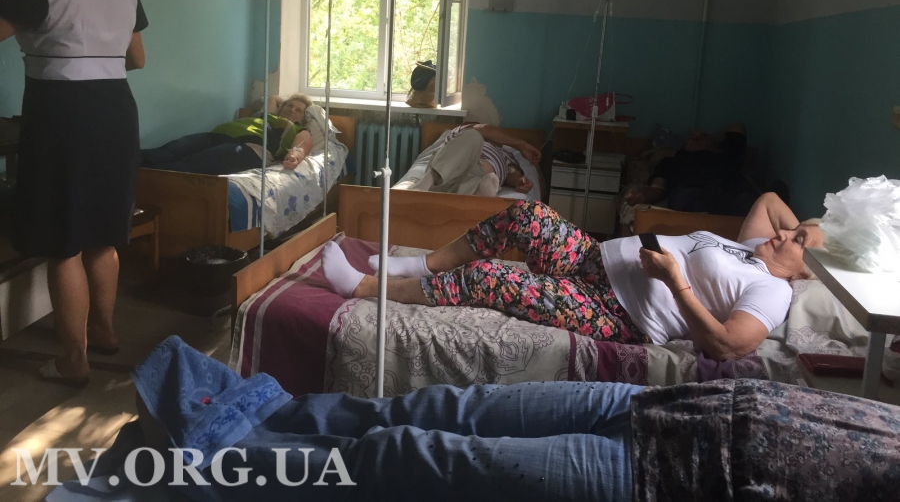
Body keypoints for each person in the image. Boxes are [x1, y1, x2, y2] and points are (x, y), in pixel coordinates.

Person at [62, 336, 900, 501]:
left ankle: (198, 468)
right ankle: (242, 416)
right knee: (431, 405)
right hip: (661, 407)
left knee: (407, 452)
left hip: (669, 478)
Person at [321, 192, 823, 360]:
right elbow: (769, 201)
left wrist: (676, 280)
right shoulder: (756, 248)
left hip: (617, 312)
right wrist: (819, 231)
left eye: (796, 239)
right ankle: (424, 263)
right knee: (528, 215)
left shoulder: (772, 290)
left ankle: (365, 287)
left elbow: (728, 346)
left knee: (492, 278)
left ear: (806, 269)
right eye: (792, 230)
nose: (785, 232)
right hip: (595, 259)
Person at [0, 0, 148, 386]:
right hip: (117, 113)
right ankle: (103, 331)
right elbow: (137, 60)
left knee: (63, 243)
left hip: (61, 115)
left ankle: (74, 360)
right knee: (103, 235)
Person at [140, 94, 314, 175]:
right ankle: (127, 162)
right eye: (290, 105)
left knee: (187, 165)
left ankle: (138, 179)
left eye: (299, 110)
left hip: (249, 148)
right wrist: (286, 102)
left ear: (304, 118)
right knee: (167, 151)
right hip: (217, 135)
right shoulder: (266, 115)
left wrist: (294, 156)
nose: (292, 110)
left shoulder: (298, 129)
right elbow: (272, 97)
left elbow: (300, 146)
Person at [625, 123, 757, 216]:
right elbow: (657, 188)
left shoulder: (726, 156)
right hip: (690, 191)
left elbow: (737, 127)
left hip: (726, 188)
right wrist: (641, 197)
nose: (696, 138)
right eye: (691, 136)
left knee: (750, 200)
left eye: (703, 136)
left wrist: (714, 143)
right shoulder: (673, 160)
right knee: (685, 197)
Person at [412, 122, 542, 197]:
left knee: (491, 180)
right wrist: (521, 145)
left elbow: (512, 173)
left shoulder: (507, 154)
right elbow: (484, 129)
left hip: (471, 183)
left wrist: (519, 181)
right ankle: (421, 187)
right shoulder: (463, 133)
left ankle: (478, 193)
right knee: (474, 136)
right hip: (446, 174)